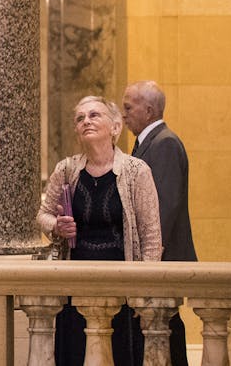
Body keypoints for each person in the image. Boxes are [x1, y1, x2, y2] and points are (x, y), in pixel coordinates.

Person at [38, 95, 162, 366]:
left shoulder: (136, 171)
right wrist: (56, 226)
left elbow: (151, 236)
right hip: (75, 283)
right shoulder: (66, 169)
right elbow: (43, 216)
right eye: (80, 118)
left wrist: (147, 292)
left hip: (123, 285)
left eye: (94, 115)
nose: (86, 121)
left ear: (115, 127)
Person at [123, 79, 195, 366]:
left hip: (163, 259)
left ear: (149, 110)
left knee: (168, 329)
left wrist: (150, 257)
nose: (124, 113)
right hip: (157, 259)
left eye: (128, 107)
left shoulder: (164, 144)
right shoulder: (149, 143)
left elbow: (165, 206)